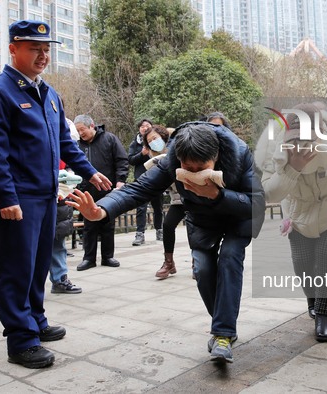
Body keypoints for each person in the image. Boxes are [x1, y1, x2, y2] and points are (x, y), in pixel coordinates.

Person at [67, 122, 266, 364]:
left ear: (216, 157)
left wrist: (217, 194)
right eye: (187, 168)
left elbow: (257, 203)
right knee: (202, 269)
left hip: (239, 218)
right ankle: (223, 323)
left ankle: (223, 334)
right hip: (202, 221)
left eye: (200, 169)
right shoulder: (173, 159)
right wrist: (101, 211)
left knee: (229, 258)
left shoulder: (239, 153)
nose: (192, 174)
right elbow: (138, 189)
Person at [0, 20, 111, 369]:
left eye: (46, 49)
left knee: (37, 266)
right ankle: (21, 340)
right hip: (17, 199)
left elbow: (66, 143)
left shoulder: (49, 94)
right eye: (34, 48)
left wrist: (90, 171)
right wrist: (6, 198)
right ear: (13, 49)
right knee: (15, 269)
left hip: (47, 195)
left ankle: (35, 320)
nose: (43, 55)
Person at [260, 103, 327, 342]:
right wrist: (293, 169)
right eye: (296, 138)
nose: (302, 144)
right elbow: (270, 193)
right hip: (298, 216)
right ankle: (312, 298)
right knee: (302, 263)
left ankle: (323, 314)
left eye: (308, 138)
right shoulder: (276, 150)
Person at [74, 114, 128, 271]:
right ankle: (88, 258)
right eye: (78, 131)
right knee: (89, 226)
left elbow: (122, 160)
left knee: (108, 224)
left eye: (82, 129)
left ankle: (108, 256)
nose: (81, 133)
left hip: (107, 188)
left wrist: (120, 180)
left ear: (91, 126)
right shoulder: (77, 145)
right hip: (86, 191)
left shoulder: (109, 139)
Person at [141, 125, 182, 280]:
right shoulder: (155, 159)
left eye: (155, 138)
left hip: (193, 196)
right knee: (168, 225)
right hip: (177, 200)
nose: (153, 142)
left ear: (164, 136)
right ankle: (168, 262)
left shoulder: (177, 147)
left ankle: (196, 262)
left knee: (194, 227)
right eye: (150, 141)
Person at [128, 118, 164, 246]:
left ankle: (160, 231)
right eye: (142, 126)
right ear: (139, 129)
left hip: (157, 177)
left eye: (147, 125)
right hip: (142, 178)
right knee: (141, 207)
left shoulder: (158, 141)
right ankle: (140, 234)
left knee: (158, 207)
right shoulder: (135, 143)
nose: (144, 128)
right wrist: (142, 154)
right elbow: (131, 160)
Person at [49, 163, 83, 294]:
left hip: (61, 196)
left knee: (58, 242)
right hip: (34, 193)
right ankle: (28, 283)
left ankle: (60, 279)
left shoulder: (61, 144)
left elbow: (72, 162)